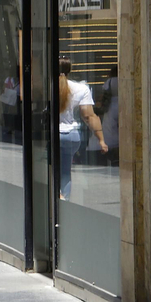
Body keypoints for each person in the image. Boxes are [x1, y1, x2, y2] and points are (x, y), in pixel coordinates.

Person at [57, 58, 106, 202]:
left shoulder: (47, 86)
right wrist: (101, 140)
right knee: (65, 171)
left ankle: (57, 198)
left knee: (51, 170)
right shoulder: (81, 89)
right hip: (72, 136)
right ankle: (63, 200)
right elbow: (89, 116)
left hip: (54, 134)